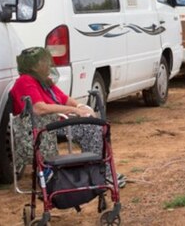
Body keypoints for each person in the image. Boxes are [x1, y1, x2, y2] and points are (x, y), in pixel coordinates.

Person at [10, 47, 125, 186]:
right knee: (92, 129)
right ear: (34, 66)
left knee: (97, 127)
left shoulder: (43, 81)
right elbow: (39, 108)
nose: (48, 65)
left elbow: (64, 98)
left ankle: (98, 171)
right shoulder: (25, 81)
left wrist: (80, 107)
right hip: (43, 127)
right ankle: (101, 174)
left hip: (56, 122)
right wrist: (73, 111)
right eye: (44, 62)